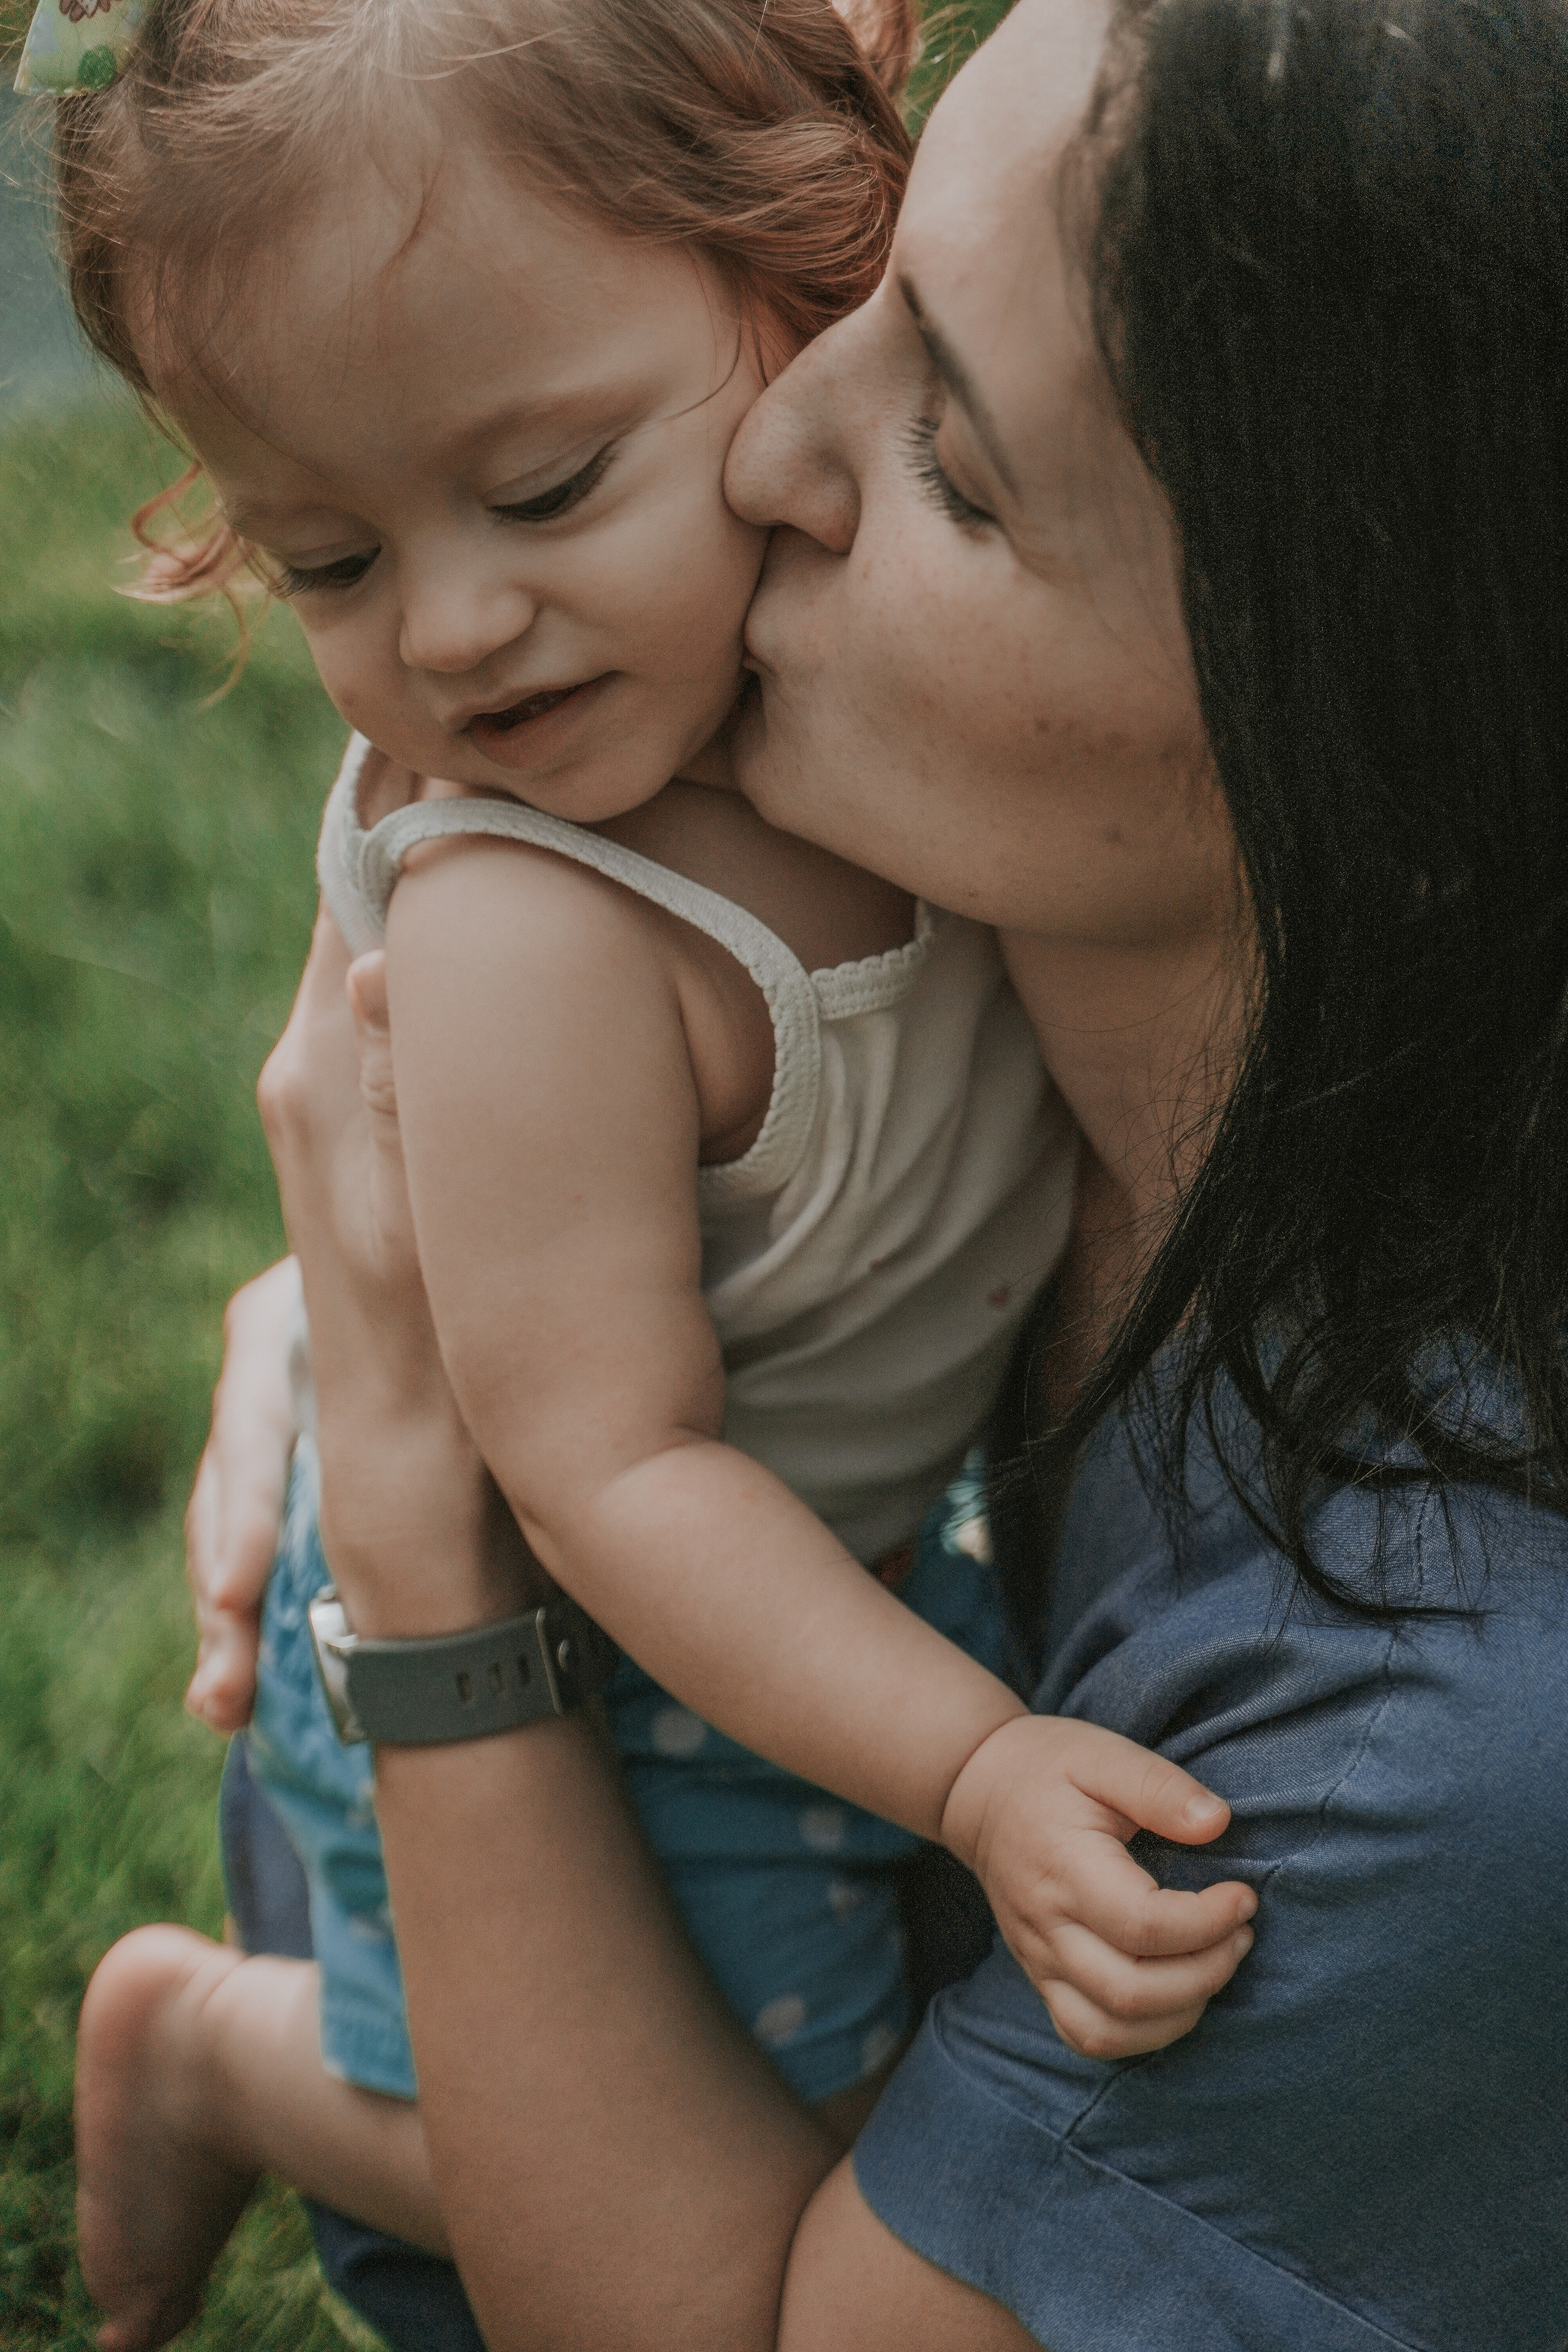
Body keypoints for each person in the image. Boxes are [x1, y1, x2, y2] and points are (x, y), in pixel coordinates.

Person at [75, 0, 1568, 2342]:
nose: (773, 438)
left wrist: (415, 1471)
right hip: (675, 1692)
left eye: (955, 463)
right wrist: (384, 1307)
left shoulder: (1452, 1729)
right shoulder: (684, 838)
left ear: (1363, 697)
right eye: (861, 293)